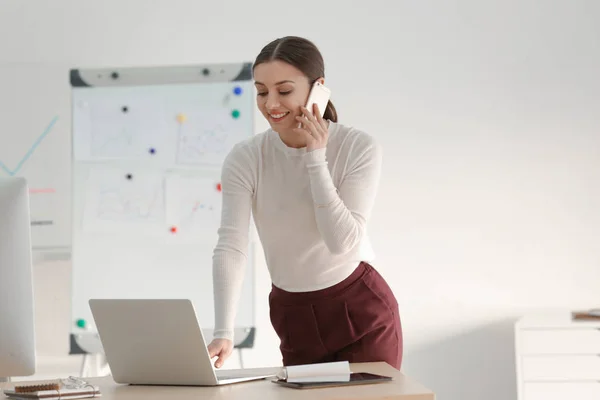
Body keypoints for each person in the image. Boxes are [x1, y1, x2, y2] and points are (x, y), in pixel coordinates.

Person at [207, 36, 403, 370]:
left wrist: (316, 158)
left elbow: (341, 242)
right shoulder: (246, 157)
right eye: (261, 91)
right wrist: (224, 330)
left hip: (358, 308)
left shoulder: (359, 147)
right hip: (292, 313)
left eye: (284, 91)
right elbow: (232, 245)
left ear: (319, 88)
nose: (271, 104)